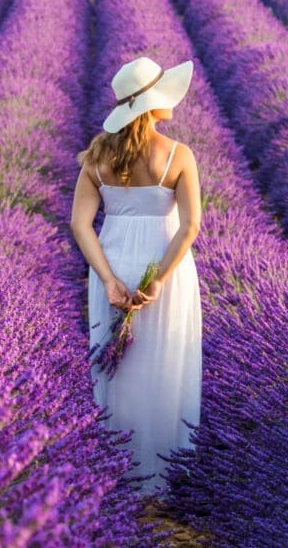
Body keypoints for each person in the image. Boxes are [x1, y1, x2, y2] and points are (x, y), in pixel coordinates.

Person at [70, 56, 203, 497]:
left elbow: (80, 225)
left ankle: (116, 472)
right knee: (165, 363)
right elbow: (190, 227)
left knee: (116, 368)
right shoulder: (178, 155)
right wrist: (160, 278)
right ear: (151, 105)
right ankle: (163, 474)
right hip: (164, 264)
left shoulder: (96, 157)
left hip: (113, 263)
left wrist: (108, 278)